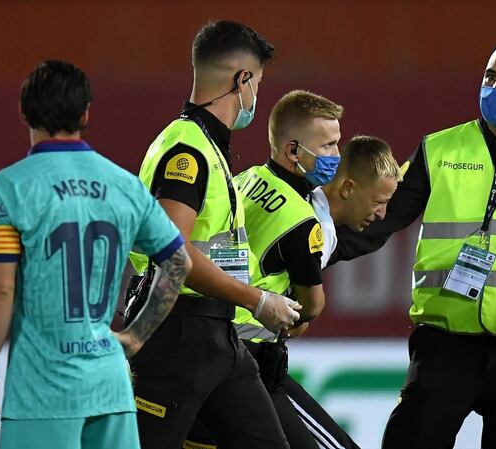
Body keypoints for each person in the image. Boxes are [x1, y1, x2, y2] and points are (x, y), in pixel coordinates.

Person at [329, 39, 496, 449]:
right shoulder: (439, 149)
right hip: (445, 344)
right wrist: (306, 255)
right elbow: (375, 223)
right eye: (491, 77)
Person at [0, 60, 192, 449]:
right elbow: (179, 262)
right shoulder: (124, 185)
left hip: (42, 388)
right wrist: (136, 337)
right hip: (109, 384)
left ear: (24, 111)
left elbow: (0, 288)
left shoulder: (10, 188)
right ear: (86, 113)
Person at [127, 21, 300, 449]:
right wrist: (258, 300)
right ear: (242, 80)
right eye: (257, 83)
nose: (257, 96)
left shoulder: (205, 144)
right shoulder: (187, 150)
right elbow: (174, 253)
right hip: (176, 336)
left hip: (218, 335)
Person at [187, 90, 363, 449]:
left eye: (337, 143)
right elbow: (311, 305)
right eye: (328, 146)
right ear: (293, 151)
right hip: (250, 355)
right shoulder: (300, 220)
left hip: (211, 341)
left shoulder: (247, 179)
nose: (336, 156)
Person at [314, 135, 400, 268]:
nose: (381, 215)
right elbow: (306, 289)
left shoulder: (305, 200)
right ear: (347, 188)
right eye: (378, 202)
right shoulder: (321, 230)